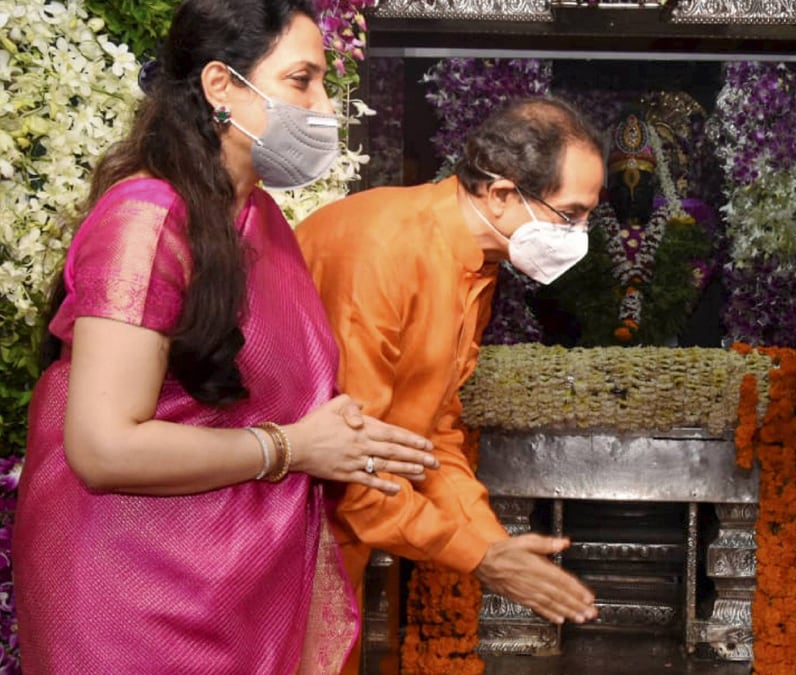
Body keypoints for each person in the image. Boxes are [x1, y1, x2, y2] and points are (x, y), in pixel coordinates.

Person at [13, 1, 439, 672]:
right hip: (134, 604)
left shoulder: (262, 219)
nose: (324, 105)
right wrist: (293, 445)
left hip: (237, 589)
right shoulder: (145, 219)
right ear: (220, 86)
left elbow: (270, 387)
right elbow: (101, 446)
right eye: (303, 81)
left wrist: (343, 435)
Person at [296, 96, 603, 672]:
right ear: (503, 194)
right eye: (570, 215)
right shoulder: (383, 249)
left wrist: (494, 544)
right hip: (282, 526)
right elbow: (349, 459)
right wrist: (479, 556)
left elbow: (433, 432)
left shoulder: (475, 266)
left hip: (338, 540)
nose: (581, 236)